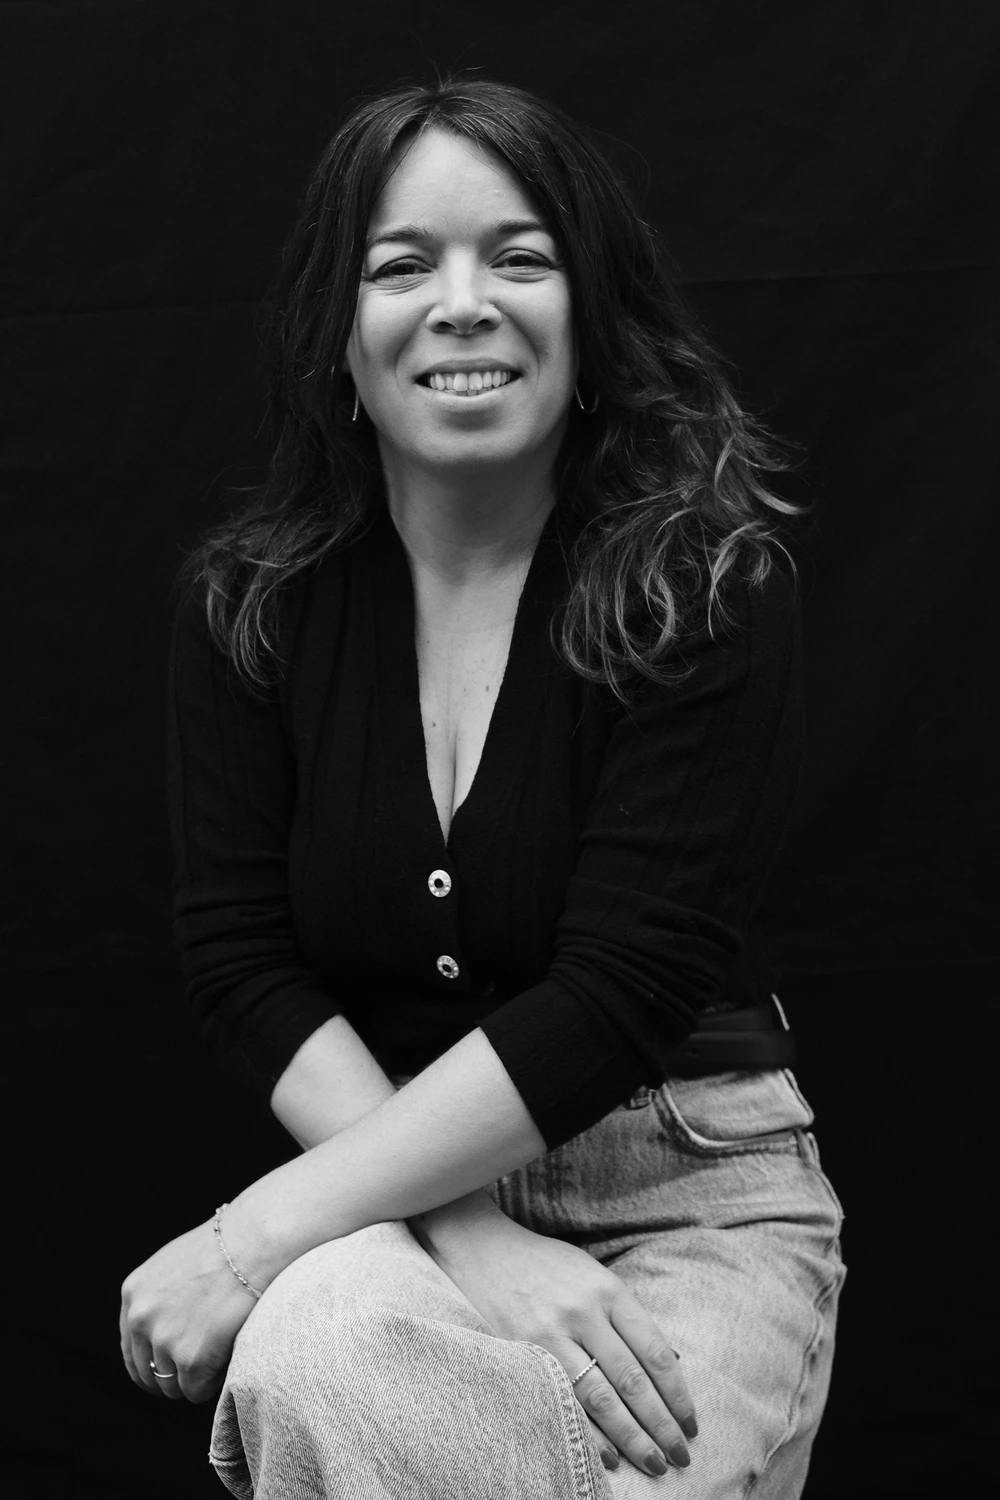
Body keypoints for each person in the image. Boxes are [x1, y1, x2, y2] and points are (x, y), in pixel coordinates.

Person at [119, 76, 845, 1499]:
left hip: (689, 1187)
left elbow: (625, 986)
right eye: (402, 267)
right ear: (341, 334)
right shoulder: (248, 608)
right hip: (382, 1189)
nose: (462, 305)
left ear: (593, 319)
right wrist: (465, 1226)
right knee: (313, 1359)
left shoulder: (707, 588)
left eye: (520, 258)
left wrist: (248, 1239)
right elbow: (240, 957)